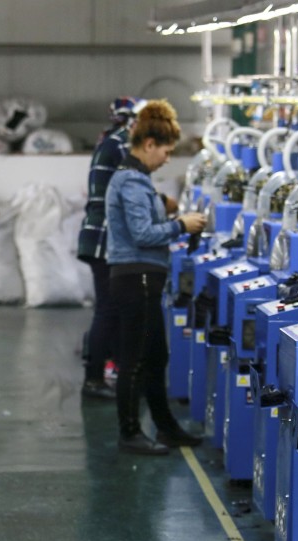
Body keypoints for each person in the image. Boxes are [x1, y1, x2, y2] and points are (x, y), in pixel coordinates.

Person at [105, 100, 207, 455]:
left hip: (144, 278)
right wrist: (181, 225)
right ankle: (130, 432)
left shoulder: (137, 181)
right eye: (165, 151)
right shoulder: (131, 181)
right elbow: (143, 234)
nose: (166, 158)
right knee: (134, 361)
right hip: (137, 279)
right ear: (149, 144)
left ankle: (166, 428)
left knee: (155, 357)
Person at [78, 97, 143, 400]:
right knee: (108, 309)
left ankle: (115, 372)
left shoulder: (113, 140)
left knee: (114, 308)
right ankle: (94, 378)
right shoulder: (121, 144)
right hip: (106, 237)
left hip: (102, 235)